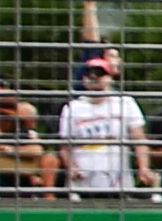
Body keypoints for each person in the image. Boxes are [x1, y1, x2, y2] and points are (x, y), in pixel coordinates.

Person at [56, 53, 145, 196]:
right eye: (90, 74)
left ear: (110, 78)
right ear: (84, 80)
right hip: (83, 184)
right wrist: (72, 167)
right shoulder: (72, 108)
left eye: (100, 74)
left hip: (119, 183)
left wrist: (144, 167)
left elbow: (139, 139)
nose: (95, 78)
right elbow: (65, 146)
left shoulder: (125, 103)